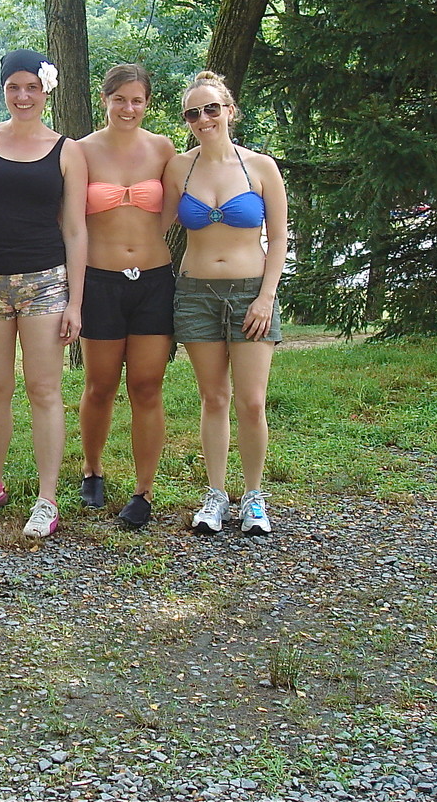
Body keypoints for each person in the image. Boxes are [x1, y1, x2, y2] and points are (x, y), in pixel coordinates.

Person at [0, 49, 87, 539]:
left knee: (44, 390)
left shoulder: (67, 150)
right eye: (14, 87)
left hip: (45, 282)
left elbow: (76, 230)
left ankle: (47, 498)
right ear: (3, 91)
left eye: (32, 86)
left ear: (45, 89)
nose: (23, 96)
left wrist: (76, 300)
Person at [163, 70, 288, 536]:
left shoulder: (260, 167)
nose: (202, 118)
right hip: (195, 294)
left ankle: (254, 497)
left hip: (251, 292)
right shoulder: (180, 168)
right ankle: (215, 495)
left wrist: (265, 297)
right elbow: (150, 225)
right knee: (213, 397)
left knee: (252, 402)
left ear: (230, 110)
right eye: (192, 113)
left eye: (211, 108)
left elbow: (278, 238)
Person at [76, 64, 177, 528]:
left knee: (146, 386)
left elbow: (174, 211)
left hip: (154, 281)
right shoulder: (82, 152)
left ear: (147, 102)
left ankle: (144, 490)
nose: (128, 108)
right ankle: (92, 470)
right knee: (100, 385)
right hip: (100, 280)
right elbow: (70, 222)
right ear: (105, 100)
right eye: (119, 99)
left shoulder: (162, 149)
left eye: (137, 100)